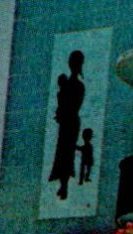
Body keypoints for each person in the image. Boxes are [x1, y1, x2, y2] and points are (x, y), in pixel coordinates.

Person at [48, 50, 85, 200]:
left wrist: (63, 91)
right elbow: (62, 104)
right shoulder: (69, 84)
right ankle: (63, 185)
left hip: (71, 122)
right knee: (62, 152)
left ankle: (65, 186)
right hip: (66, 122)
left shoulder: (77, 85)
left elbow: (73, 105)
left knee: (67, 153)